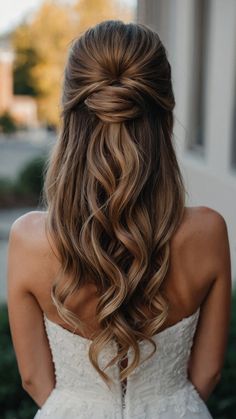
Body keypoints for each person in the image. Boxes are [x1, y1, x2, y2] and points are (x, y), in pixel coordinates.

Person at [7, 20, 232, 419]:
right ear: (166, 111)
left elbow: (33, 379)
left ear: (71, 113)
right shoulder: (209, 231)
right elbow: (209, 371)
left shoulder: (29, 239)